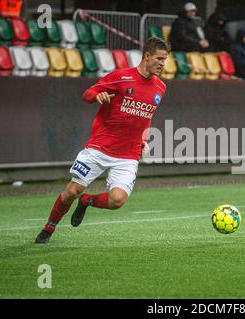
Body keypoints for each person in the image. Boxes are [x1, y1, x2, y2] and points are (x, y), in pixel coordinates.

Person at [35, 38, 171, 243]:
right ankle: (49, 227)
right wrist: (97, 97)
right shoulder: (121, 77)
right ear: (147, 56)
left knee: (117, 200)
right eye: (159, 58)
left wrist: (144, 137)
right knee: (71, 191)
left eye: (165, 59)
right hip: (100, 148)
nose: (162, 63)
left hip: (128, 154)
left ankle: (87, 201)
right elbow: (88, 94)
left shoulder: (160, 87)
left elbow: (147, 114)